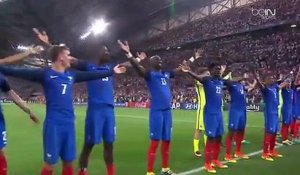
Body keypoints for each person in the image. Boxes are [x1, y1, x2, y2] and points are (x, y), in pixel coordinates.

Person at [0, 45, 126, 175]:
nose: (70, 58)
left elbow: (91, 75)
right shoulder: (46, 75)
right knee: (50, 164)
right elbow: (15, 71)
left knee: (68, 161)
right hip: (54, 125)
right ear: (61, 57)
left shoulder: (71, 75)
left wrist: (111, 72)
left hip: (69, 124)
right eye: (68, 54)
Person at [33, 28, 137, 175]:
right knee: (89, 144)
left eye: (108, 50)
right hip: (95, 111)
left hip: (109, 112)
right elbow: (65, 58)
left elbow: (129, 64)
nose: (107, 52)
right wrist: (48, 44)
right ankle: (83, 170)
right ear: (97, 54)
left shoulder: (110, 68)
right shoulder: (88, 66)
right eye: (104, 50)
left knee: (109, 144)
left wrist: (130, 54)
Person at [119, 40, 181, 175]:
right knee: (155, 141)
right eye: (155, 59)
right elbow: (137, 67)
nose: (159, 60)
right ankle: (150, 171)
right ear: (151, 64)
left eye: (160, 59)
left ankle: (165, 169)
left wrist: (192, 60)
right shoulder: (149, 75)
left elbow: (179, 70)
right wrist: (128, 53)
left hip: (167, 112)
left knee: (167, 141)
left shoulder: (166, 74)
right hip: (157, 112)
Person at [179, 62, 230, 173]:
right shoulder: (207, 80)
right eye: (216, 69)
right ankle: (207, 163)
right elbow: (197, 77)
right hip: (210, 113)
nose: (218, 71)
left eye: (219, 69)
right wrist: (189, 71)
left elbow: (229, 81)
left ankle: (216, 160)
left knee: (218, 137)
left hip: (219, 113)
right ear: (211, 71)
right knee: (210, 138)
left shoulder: (220, 81)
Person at [254, 71, 289, 161]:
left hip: (275, 112)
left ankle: (272, 151)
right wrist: (257, 78)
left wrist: (288, 78)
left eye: (272, 78)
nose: (272, 79)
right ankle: (265, 153)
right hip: (269, 113)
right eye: (269, 78)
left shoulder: (275, 88)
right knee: (269, 132)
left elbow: (283, 84)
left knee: (274, 133)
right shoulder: (265, 89)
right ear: (265, 81)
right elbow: (260, 85)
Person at [224, 72, 256, 162]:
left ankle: (238, 152)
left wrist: (253, 83)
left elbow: (249, 88)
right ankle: (227, 154)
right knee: (231, 132)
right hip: (235, 111)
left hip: (243, 110)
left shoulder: (241, 86)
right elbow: (227, 81)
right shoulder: (231, 84)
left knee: (241, 131)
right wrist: (242, 76)